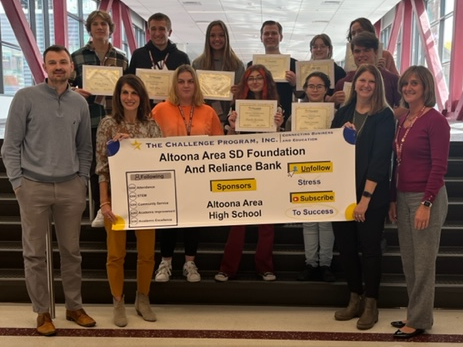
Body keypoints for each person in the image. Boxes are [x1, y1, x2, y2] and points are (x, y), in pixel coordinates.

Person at [1, 45, 95, 336]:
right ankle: (42, 312)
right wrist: (18, 184)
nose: (58, 67)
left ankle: (74, 307)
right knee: (35, 254)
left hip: (70, 187)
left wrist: (81, 180)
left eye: (63, 62)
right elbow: (10, 146)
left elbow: (84, 148)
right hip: (33, 186)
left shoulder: (79, 103)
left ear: (71, 67)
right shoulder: (25, 97)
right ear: (44, 67)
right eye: (52, 62)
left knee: (72, 251)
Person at [331, 64, 395, 330]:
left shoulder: (384, 116)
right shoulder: (343, 112)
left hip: (371, 196)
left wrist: (365, 200)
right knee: (346, 248)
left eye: (371, 81)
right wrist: (341, 135)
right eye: (362, 80)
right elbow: (330, 150)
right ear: (354, 83)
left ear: (377, 86)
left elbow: (381, 161)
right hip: (343, 194)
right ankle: (354, 297)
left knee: (369, 249)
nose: (366, 85)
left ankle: (371, 303)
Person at [95, 75, 162, 327]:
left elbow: (161, 163)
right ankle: (118, 301)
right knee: (116, 254)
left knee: (146, 254)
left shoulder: (152, 127)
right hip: (117, 198)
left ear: (142, 97)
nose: (130, 98)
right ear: (118, 96)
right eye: (125, 93)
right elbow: (101, 167)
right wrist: (104, 203)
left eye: (134, 93)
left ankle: (142, 299)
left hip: (147, 198)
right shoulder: (107, 125)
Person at [389, 66, 450, 339]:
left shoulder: (435, 121)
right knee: (410, 261)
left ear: (426, 87)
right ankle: (415, 311)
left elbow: (439, 166)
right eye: (405, 84)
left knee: (424, 262)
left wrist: (426, 202)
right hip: (403, 195)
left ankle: (421, 319)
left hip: (427, 197)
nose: (408, 88)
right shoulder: (404, 119)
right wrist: (393, 197)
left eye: (414, 83)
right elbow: (397, 162)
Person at [151, 64, 223, 282]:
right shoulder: (160, 109)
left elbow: (218, 143)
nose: (186, 85)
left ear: (196, 84)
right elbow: (147, 140)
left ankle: (190, 263)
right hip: (168, 174)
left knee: (193, 220)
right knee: (169, 220)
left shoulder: (208, 111)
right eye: (181, 81)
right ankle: (166, 263)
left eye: (190, 81)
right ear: (175, 84)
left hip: (197, 176)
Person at [214, 64, 284, 282]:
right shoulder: (237, 106)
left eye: (259, 78)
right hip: (242, 167)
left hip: (267, 168)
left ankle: (265, 267)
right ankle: (227, 268)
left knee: (266, 221)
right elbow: (229, 142)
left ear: (266, 81)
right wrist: (232, 126)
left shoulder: (276, 108)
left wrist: (279, 127)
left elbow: (280, 144)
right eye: (250, 78)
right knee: (238, 219)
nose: (254, 81)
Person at [71, 10, 128, 228]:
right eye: (95, 24)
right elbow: (66, 86)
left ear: (110, 28)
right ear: (89, 28)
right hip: (91, 119)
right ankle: (100, 208)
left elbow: (128, 87)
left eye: (103, 24)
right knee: (97, 167)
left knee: (117, 165)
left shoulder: (121, 57)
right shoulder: (77, 56)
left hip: (116, 119)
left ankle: (119, 205)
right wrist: (74, 91)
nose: (99, 27)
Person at [288, 72, 336, 282]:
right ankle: (310, 263)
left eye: (319, 86)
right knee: (308, 221)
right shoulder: (294, 114)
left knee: (325, 221)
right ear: (304, 89)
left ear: (327, 89)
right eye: (311, 86)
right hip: (302, 169)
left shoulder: (337, 114)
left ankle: (325, 264)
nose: (315, 90)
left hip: (328, 169)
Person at [334, 32, 406, 118]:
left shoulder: (392, 79)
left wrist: (384, 118)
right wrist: (333, 101)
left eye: (366, 50)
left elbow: (405, 108)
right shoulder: (343, 82)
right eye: (357, 51)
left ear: (376, 52)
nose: (361, 54)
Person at [192, 20, 245, 124]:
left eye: (221, 35)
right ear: (208, 38)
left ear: (227, 38)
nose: (217, 39)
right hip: (202, 119)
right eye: (212, 35)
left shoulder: (237, 65)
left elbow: (245, 96)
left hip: (230, 121)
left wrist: (238, 92)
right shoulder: (197, 64)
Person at [249, 20, 297, 127]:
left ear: (281, 37)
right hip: (256, 118)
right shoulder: (252, 65)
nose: (270, 36)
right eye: (266, 33)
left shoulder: (292, 64)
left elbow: (301, 95)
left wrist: (294, 83)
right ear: (261, 38)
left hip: (284, 118)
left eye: (274, 33)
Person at [308, 34, 346, 102]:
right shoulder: (305, 70)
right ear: (311, 50)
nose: (319, 49)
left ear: (330, 49)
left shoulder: (339, 71)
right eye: (315, 47)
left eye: (323, 46)